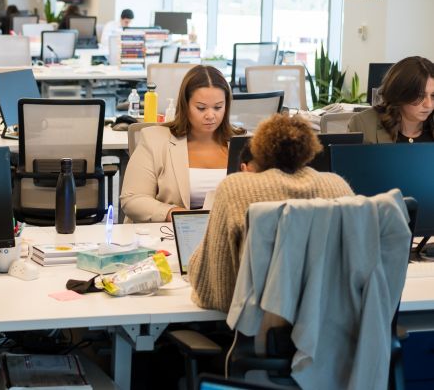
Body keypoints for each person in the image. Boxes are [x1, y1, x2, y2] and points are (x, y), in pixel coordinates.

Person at [189, 114, 354, 312]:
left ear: (258, 149)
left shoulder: (236, 189)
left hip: (261, 333)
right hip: (332, 330)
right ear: (309, 148)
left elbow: (216, 293)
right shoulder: (338, 186)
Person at [121, 65, 245, 223]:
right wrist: (176, 214)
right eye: (201, 108)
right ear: (185, 106)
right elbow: (132, 199)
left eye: (218, 107)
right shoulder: (155, 139)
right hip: (167, 234)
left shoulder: (242, 143)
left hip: (227, 235)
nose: (210, 115)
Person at [348, 56, 434, 144]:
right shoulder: (363, 124)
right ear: (400, 93)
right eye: (419, 96)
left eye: (433, 96)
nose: (429, 105)